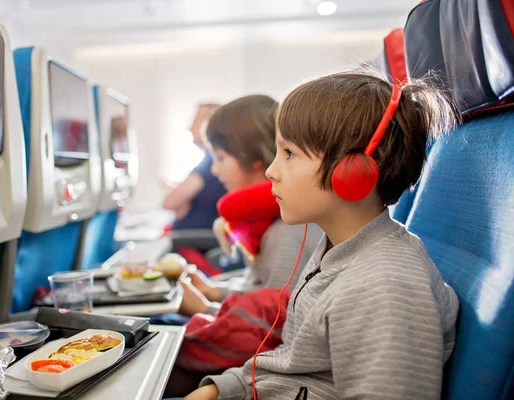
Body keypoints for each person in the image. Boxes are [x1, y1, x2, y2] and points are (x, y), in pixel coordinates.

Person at [185, 70, 460, 399]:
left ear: (352, 174)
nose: (271, 171)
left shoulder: (383, 287)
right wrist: (225, 389)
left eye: (289, 154)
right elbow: (294, 365)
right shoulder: (335, 252)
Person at [179, 94, 322, 317]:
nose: (215, 170)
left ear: (252, 157)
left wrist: (205, 309)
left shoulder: (285, 231)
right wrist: (216, 291)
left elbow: (275, 322)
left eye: (220, 158)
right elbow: (260, 290)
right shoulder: (264, 219)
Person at [163, 104, 226, 230]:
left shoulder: (211, 162)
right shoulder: (211, 160)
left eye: (195, 122)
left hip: (191, 244)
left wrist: (182, 199)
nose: (189, 128)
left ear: (208, 124)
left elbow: (169, 203)